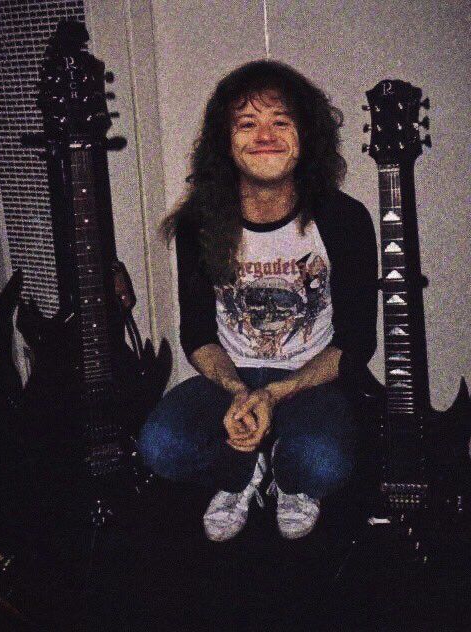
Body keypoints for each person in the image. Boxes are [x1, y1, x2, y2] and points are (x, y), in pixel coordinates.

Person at [139, 60, 378, 541]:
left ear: (304, 137)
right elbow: (199, 335)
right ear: (224, 143)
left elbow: (355, 344)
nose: (264, 135)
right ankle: (244, 471)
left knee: (322, 464)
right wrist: (238, 390)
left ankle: (286, 476)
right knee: (159, 447)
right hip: (230, 374)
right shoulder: (200, 223)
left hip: (310, 379)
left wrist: (273, 394)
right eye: (247, 124)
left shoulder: (344, 219)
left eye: (280, 122)